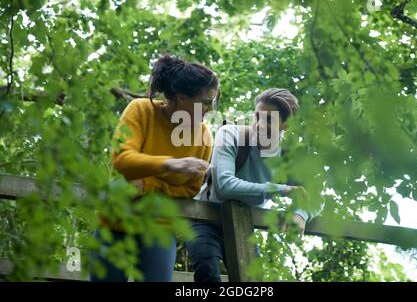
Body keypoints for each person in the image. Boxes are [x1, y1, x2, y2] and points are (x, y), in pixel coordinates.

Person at [90, 54, 219, 281]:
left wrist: (148, 184)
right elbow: (122, 160)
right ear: (181, 98)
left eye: (213, 102)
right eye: (205, 102)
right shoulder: (140, 110)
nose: (210, 109)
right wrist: (171, 164)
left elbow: (190, 189)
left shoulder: (204, 135)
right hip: (115, 220)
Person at [186, 88, 324, 282]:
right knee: (208, 270)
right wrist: (281, 189)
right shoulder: (230, 134)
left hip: (243, 225)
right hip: (206, 219)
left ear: (285, 125)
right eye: (257, 116)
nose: (259, 124)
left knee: (254, 282)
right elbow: (224, 186)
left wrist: (301, 214)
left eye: (269, 120)